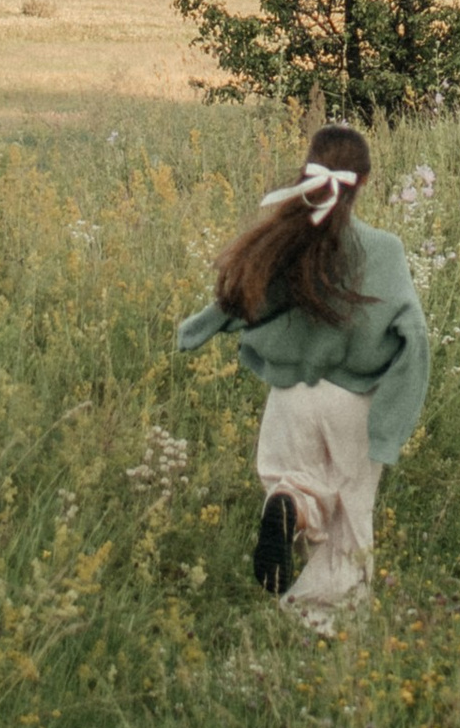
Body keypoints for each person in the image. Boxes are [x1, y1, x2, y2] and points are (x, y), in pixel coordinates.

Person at [176, 123, 431, 622]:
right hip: (350, 405)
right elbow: (414, 338)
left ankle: (289, 507)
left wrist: (195, 330)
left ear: (307, 173)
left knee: (298, 482)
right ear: (366, 182)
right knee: (348, 524)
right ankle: (320, 630)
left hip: (290, 401)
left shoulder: (284, 241)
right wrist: (390, 427)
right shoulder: (384, 250)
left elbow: (237, 300)